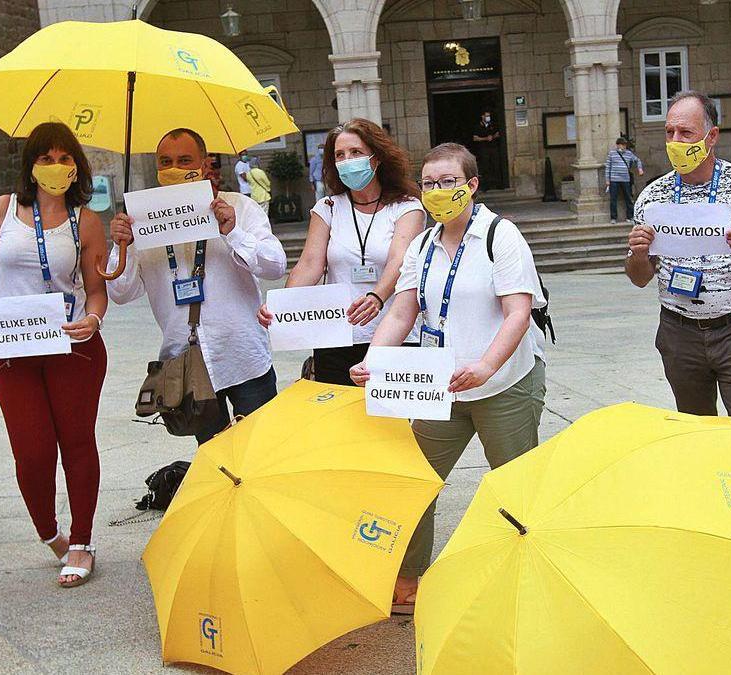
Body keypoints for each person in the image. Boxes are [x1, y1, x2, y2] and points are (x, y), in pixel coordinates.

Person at [349, 142, 547, 615]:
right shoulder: (421, 244)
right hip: (441, 385)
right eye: (429, 183)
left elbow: (518, 313)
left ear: (471, 185)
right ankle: (409, 577)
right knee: (417, 480)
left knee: (517, 488)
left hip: (504, 385)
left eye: (448, 182)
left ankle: (531, 576)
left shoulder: (502, 236)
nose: (437, 191)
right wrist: (375, 359)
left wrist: (485, 366)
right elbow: (403, 310)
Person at [0, 122, 108, 588]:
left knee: (77, 443)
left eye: (65, 159)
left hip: (72, 346)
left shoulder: (86, 219)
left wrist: (94, 319)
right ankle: (50, 533)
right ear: (31, 164)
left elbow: (97, 291)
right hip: (12, 347)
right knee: (32, 451)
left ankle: (81, 541)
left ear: (77, 167)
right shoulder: (2, 210)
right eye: (46, 158)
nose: (56, 167)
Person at [106, 128, 287, 444]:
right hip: (187, 363)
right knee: (212, 460)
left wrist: (232, 233)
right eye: (165, 161)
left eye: (184, 159)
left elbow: (274, 266)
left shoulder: (239, 207)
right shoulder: (143, 221)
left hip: (243, 355)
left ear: (204, 164)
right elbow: (121, 293)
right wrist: (122, 246)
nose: (174, 168)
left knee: (264, 452)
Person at [624, 90, 731, 427]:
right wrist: (639, 252)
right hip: (679, 332)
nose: (675, 141)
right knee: (696, 437)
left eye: (686, 133)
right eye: (669, 132)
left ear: (712, 137)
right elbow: (638, 276)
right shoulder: (654, 196)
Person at [257, 119, 425, 385]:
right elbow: (311, 264)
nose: (348, 160)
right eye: (340, 155)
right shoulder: (328, 207)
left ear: (377, 157)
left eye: (356, 152)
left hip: (396, 334)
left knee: (391, 424)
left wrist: (376, 296)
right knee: (340, 419)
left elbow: (400, 259)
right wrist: (281, 304)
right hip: (336, 336)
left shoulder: (406, 207)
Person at [605, 137, 645, 223]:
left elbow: (637, 160)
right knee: (613, 199)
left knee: (628, 197)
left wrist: (640, 169)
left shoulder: (629, 154)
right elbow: (608, 167)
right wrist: (607, 180)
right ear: (618, 145)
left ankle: (629, 216)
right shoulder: (612, 154)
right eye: (622, 145)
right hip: (614, 179)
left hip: (625, 179)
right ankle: (613, 217)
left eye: (624, 145)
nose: (623, 147)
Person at [472, 110, 502, 186]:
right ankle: (485, 185)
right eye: (486, 116)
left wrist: (493, 137)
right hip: (483, 149)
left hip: (493, 148)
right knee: (485, 166)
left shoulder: (493, 125)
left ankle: (497, 184)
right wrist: (485, 138)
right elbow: (475, 138)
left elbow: (498, 133)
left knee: (495, 165)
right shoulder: (478, 126)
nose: (488, 118)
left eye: (489, 116)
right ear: (482, 116)